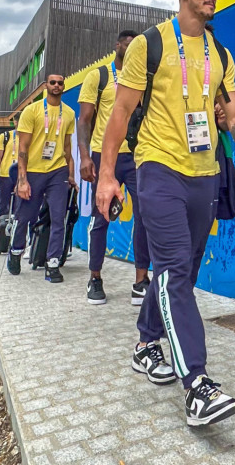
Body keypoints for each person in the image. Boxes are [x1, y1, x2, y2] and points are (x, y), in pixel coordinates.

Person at [96, 0, 235, 426]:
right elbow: (120, 112)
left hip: (205, 172)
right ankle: (197, 385)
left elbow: (232, 112)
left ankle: (146, 343)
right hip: (158, 168)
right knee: (173, 267)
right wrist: (107, 175)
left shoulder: (219, 52)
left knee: (183, 273)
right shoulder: (148, 44)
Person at [78, 29, 151, 305]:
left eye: (136, 46)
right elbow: (85, 120)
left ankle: (140, 281)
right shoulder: (99, 77)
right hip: (104, 155)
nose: (131, 50)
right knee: (101, 218)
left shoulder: (144, 77)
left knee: (144, 216)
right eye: (127, 45)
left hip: (136, 156)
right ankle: (95, 278)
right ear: (117, 46)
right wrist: (86, 157)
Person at [7, 74, 77, 281]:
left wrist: (71, 175)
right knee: (25, 217)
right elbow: (23, 148)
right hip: (33, 171)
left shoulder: (70, 113)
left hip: (57, 171)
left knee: (58, 218)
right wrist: (22, 179)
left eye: (60, 83)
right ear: (45, 85)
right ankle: (16, 251)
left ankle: (53, 263)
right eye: (52, 82)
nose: (56, 86)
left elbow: (66, 147)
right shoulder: (32, 110)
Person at [0, 120, 20, 232]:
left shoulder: (31, 134)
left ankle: (16, 232)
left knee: (20, 205)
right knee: (3, 204)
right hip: (6, 174)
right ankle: (0, 232)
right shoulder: (6, 136)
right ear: (15, 122)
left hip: (22, 175)